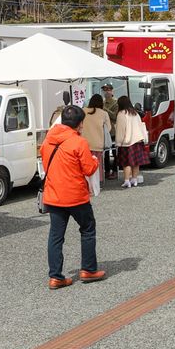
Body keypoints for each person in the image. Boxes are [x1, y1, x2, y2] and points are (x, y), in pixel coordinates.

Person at [40, 105, 104, 289]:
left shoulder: (48, 140)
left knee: (56, 236)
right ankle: (88, 269)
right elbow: (89, 169)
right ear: (79, 124)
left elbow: (45, 163)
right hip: (75, 196)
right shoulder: (79, 142)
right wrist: (94, 160)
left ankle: (55, 276)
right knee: (88, 228)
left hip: (53, 195)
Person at [113, 96, 149, 187]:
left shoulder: (121, 114)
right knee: (136, 162)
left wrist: (118, 142)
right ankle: (134, 179)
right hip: (138, 141)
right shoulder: (135, 113)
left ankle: (126, 181)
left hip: (127, 142)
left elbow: (120, 130)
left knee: (127, 163)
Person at [81, 94, 113, 166]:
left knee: (85, 166)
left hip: (84, 144)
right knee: (97, 167)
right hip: (98, 145)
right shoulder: (104, 113)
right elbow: (109, 129)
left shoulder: (83, 111)